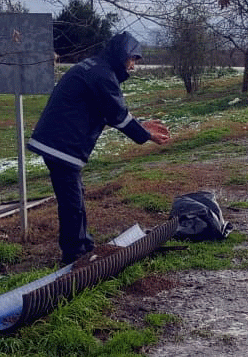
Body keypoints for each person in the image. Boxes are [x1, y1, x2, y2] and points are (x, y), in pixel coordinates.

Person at [27, 32, 171, 265]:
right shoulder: (102, 75)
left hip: (58, 142)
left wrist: (140, 126)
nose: (133, 67)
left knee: (74, 196)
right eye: (132, 60)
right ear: (122, 55)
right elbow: (118, 115)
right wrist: (146, 135)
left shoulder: (95, 67)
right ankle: (75, 255)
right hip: (61, 145)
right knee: (72, 201)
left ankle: (82, 246)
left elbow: (111, 111)